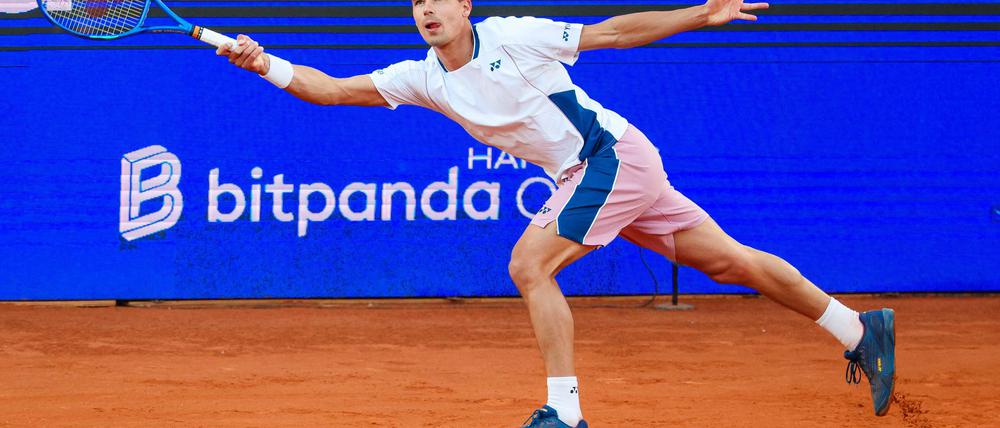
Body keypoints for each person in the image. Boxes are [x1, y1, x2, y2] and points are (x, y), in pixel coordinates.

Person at [218, 0, 896, 425]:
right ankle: (857, 328)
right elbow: (333, 90)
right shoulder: (421, 75)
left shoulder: (517, 36)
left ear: (466, 5)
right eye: (418, 0)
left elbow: (615, 32)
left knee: (529, 264)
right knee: (729, 263)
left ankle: (565, 413)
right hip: (604, 170)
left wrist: (698, 14)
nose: (428, 10)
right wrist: (263, 63)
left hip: (610, 158)